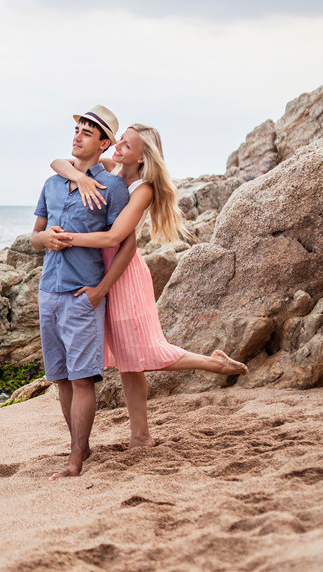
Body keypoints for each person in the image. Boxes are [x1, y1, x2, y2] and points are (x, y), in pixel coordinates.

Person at [47, 123, 248, 449]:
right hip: (98, 270)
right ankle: (141, 435)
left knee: (144, 351)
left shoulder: (142, 189)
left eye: (126, 145)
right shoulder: (111, 170)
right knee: (129, 358)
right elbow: (57, 163)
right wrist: (81, 178)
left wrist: (65, 240)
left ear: (142, 157)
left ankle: (214, 363)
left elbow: (115, 239)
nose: (118, 147)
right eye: (120, 141)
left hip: (124, 277)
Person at [31, 105, 130, 480]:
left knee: (81, 377)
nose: (78, 135)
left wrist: (101, 291)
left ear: (104, 143)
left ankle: (75, 462)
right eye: (77, 129)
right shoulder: (53, 183)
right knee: (60, 377)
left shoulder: (114, 188)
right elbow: (34, 235)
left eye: (88, 132)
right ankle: (80, 445)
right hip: (48, 291)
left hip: (81, 294)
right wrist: (44, 238)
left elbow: (126, 245)